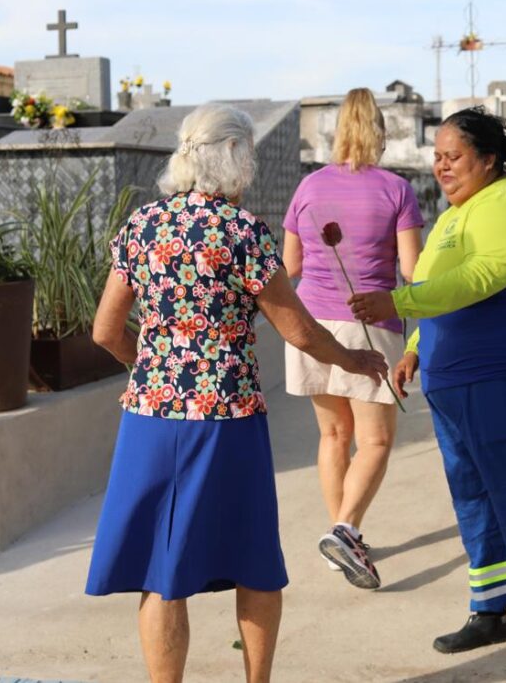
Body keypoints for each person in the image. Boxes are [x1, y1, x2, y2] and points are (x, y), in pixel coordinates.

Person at [85, 103, 388, 683]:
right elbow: (296, 328)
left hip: (150, 418)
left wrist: (147, 366)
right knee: (253, 564)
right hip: (227, 417)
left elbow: (104, 330)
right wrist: (353, 358)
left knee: (159, 571)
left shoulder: (144, 225)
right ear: (234, 158)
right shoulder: (241, 231)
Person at [348, 106, 506, 674]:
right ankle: (491, 609)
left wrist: (398, 304)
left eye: (453, 157)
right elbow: (437, 290)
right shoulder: (455, 216)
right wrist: (413, 350)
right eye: (437, 157)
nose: (441, 167)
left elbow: (485, 278)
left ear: (489, 158)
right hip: (455, 382)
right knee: (474, 498)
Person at [282, 87, 423, 590]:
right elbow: (411, 271)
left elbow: (291, 266)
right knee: (377, 440)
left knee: (333, 436)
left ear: (337, 131)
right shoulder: (397, 189)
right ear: (381, 133)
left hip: (313, 324)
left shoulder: (308, 187)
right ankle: (345, 529)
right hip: (370, 325)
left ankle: (340, 537)